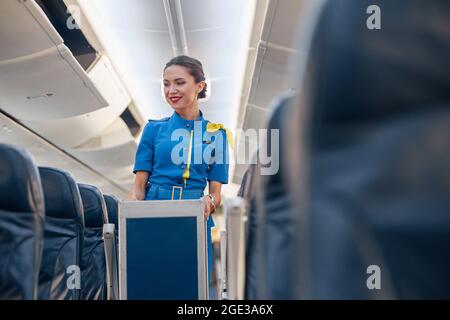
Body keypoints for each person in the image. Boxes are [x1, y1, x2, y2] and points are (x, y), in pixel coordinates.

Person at [129, 55, 230, 280]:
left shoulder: (217, 135)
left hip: (194, 217)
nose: (171, 90)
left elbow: (216, 195)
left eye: (179, 82)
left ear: (199, 86)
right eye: (166, 84)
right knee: (152, 285)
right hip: (153, 214)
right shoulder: (153, 130)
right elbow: (138, 189)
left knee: (191, 286)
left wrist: (209, 202)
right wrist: (132, 219)